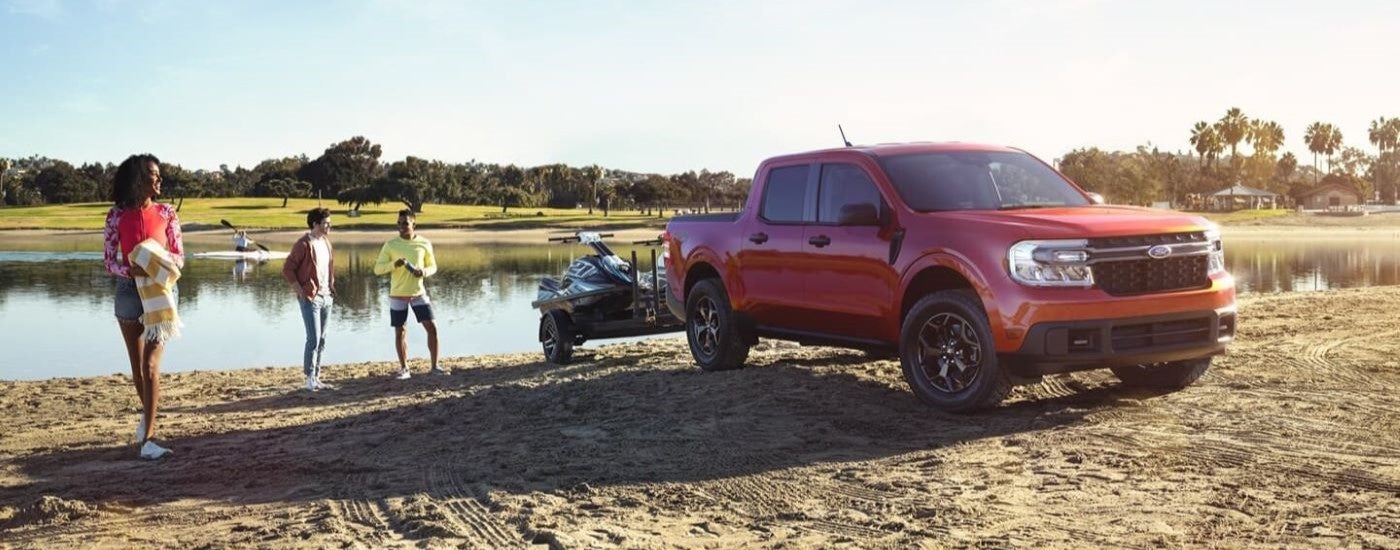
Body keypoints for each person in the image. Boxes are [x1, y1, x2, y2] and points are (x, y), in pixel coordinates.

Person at [102, 154, 183, 460]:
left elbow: (179, 257)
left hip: (161, 294)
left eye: (159, 175)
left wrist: (154, 262)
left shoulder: (167, 213)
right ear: (138, 179)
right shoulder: (115, 215)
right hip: (128, 292)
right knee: (138, 370)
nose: (159, 180)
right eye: (153, 175)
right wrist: (130, 271)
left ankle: (148, 440)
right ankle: (148, 424)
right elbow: (110, 260)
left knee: (150, 365)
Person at [373, 209, 445, 379]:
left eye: (405, 223)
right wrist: (394, 264)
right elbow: (378, 269)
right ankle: (404, 369)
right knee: (400, 332)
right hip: (397, 294)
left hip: (418, 293)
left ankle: (435, 366)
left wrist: (424, 272)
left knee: (432, 328)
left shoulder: (424, 244)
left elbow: (433, 267)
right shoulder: (390, 245)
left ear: (414, 224)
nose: (401, 226)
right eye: (399, 223)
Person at [282, 207, 336, 391]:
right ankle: (309, 377)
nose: (330, 226)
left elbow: (329, 268)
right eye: (326, 223)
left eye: (329, 222)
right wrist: (300, 291)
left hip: (327, 296)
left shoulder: (326, 243)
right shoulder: (303, 244)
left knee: (322, 339)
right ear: (315, 224)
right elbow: (287, 269)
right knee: (313, 338)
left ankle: (317, 377)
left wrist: (331, 287)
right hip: (311, 297)